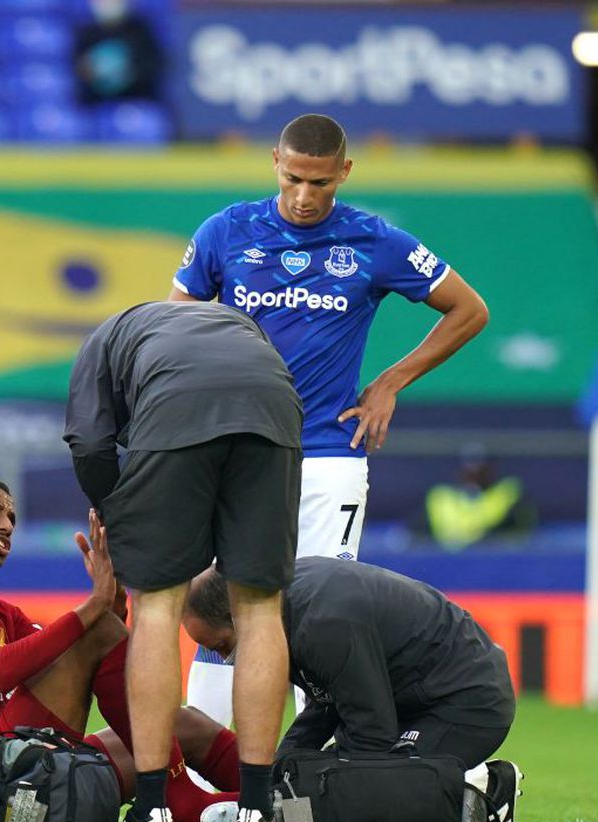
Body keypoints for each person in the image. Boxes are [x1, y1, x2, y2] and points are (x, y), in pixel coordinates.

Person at [169, 113, 490, 725]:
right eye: (293, 179)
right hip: (239, 452)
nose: (304, 196)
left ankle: (304, 774)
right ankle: (208, 778)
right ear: (274, 163)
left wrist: (391, 381)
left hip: (328, 455)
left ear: (344, 172)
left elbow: (469, 310)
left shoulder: (375, 241)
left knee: (317, 609)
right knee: (221, 605)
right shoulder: (226, 232)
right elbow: (171, 325)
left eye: (320, 183)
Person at [0, 476, 240, 822]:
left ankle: (275, 793)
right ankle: (182, 803)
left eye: (11, 517)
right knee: (97, 631)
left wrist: (111, 610)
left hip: (25, 763)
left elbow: (74, 663)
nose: (7, 525)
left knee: (186, 724)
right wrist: (94, 612)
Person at [64, 301, 302, 822]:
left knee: (157, 605)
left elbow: (90, 443)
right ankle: (258, 811)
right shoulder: (236, 323)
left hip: (175, 409)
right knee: (261, 608)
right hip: (273, 407)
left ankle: (153, 809)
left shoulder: (102, 340)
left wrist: (113, 509)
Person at [183, 557, 521, 822]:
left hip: (466, 704)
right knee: (328, 776)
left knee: (360, 789)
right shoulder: (283, 605)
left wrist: (315, 787)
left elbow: (371, 733)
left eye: (224, 647)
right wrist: (282, 771)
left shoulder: (322, 624)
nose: (230, 661)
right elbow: (326, 704)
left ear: (237, 614)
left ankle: (489, 793)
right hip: (417, 699)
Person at [418, 444, 538, 550]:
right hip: (448, 555)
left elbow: (521, 530)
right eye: (469, 470)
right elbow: (420, 531)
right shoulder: (441, 496)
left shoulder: (508, 493)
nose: (474, 475)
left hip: (493, 554)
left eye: (481, 470)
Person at [73, 0, 164, 104]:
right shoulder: (87, 36)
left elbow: (152, 66)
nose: (108, 5)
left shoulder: (139, 29)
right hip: (102, 106)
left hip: (139, 98)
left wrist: (127, 74)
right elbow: (81, 80)